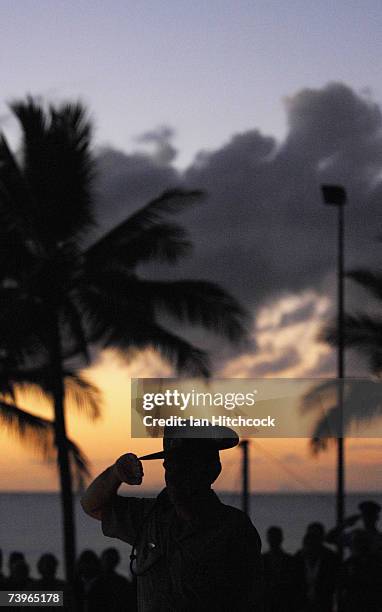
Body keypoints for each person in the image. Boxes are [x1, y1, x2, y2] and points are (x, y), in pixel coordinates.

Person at [81, 424, 263, 611]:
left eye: (186, 466)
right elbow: (92, 505)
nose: (174, 475)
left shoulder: (233, 529)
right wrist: (115, 474)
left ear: (210, 470)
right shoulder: (149, 517)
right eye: (169, 466)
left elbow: (250, 599)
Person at [294, 529, 339, 612]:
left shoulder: (328, 562)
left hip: (323, 604)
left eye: (313, 545)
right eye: (309, 545)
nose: (310, 549)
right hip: (302, 605)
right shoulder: (297, 562)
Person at [262, 526, 296, 612]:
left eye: (275, 537)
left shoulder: (262, 560)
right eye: (272, 537)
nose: (273, 540)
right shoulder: (290, 560)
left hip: (283, 603)